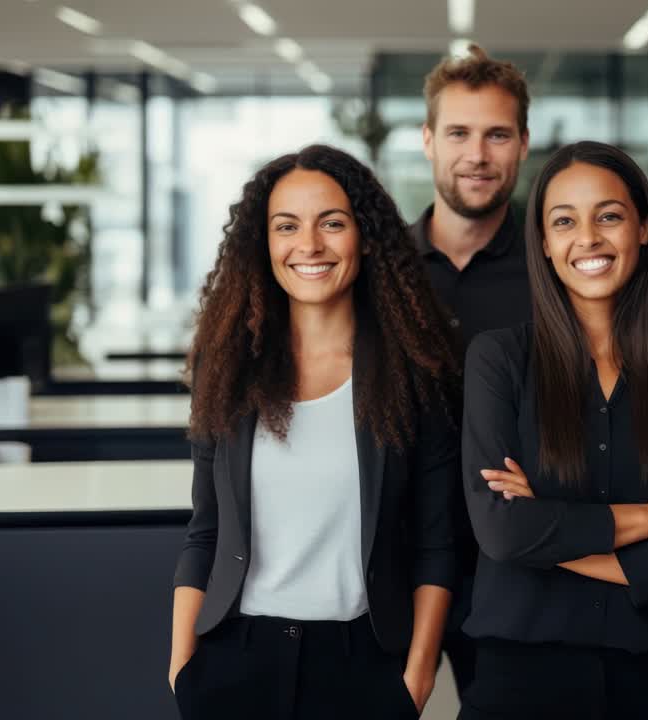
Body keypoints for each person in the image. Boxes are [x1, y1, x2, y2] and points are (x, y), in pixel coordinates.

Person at [169, 144, 460, 719]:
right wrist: (183, 667)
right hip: (234, 659)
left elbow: (436, 544)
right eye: (287, 226)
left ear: (365, 237)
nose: (309, 245)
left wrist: (417, 677)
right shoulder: (225, 366)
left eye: (332, 223)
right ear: (264, 244)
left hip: (362, 666)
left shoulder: (414, 370)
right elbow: (205, 530)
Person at [459, 141, 648, 719]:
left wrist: (549, 534)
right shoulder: (499, 360)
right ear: (543, 242)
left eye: (608, 216)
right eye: (564, 221)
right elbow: (502, 532)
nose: (587, 238)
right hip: (521, 679)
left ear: (643, 228)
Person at [411, 44, 534, 695]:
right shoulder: (381, 274)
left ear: (522, 144)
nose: (477, 155)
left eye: (497, 135)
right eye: (458, 132)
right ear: (428, 139)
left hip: (524, 565)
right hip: (399, 560)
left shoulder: (557, 269)